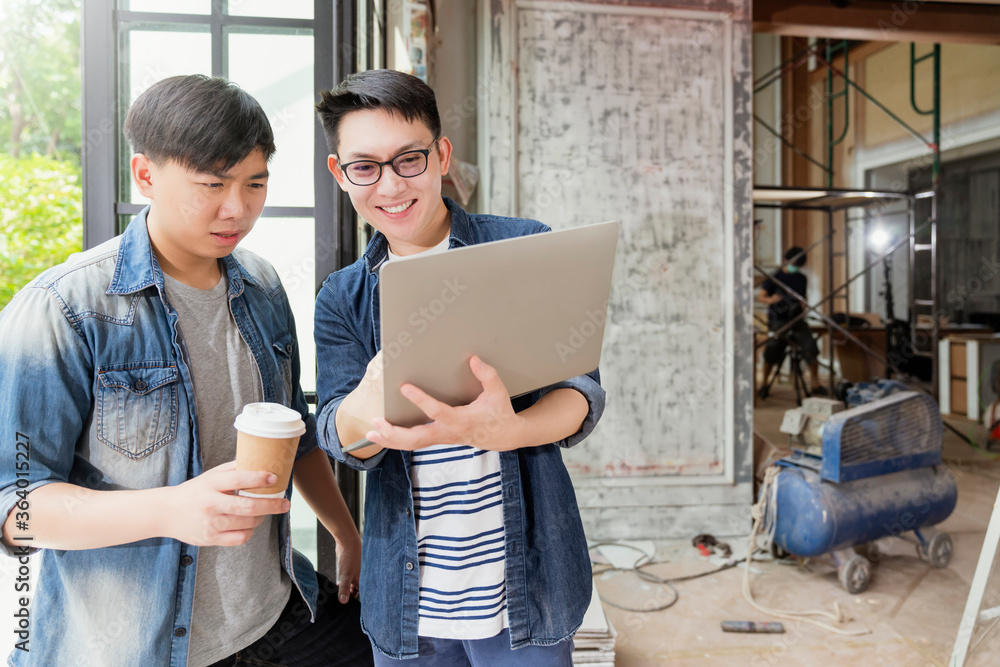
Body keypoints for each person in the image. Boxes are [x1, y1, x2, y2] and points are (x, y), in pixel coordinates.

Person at [0, 75, 373, 667]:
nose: (238, 208)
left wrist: (346, 534)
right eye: (212, 184)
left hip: (274, 615)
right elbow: (17, 510)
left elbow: (293, 433)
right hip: (134, 646)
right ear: (145, 175)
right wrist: (171, 509)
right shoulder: (63, 308)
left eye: (255, 184)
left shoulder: (262, 286)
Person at [313, 68, 606, 665]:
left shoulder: (522, 247)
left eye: (409, 160)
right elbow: (339, 439)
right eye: (364, 166)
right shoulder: (341, 298)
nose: (390, 187)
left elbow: (581, 391)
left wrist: (509, 431)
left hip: (528, 588)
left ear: (441, 155)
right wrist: (367, 409)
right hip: (408, 602)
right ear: (340, 174)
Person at [758, 245, 826, 396]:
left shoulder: (801, 278)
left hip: (796, 319)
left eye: (799, 265)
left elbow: (804, 297)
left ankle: (816, 385)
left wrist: (803, 305)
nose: (796, 267)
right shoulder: (774, 277)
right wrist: (772, 299)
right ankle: (763, 384)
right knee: (772, 348)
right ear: (786, 260)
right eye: (794, 264)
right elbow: (761, 297)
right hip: (778, 320)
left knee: (810, 346)